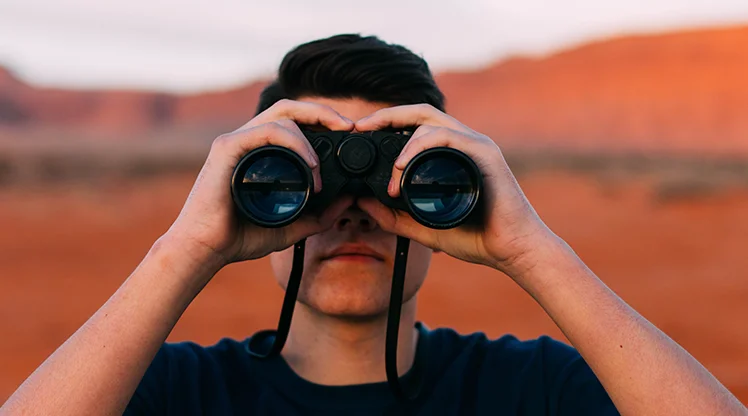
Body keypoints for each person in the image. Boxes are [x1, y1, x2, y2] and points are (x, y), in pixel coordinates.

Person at [2, 34, 745, 416]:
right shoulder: (176, 391)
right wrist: (186, 247)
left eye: (400, 181)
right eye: (301, 180)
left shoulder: (531, 389)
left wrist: (532, 248)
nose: (353, 207)